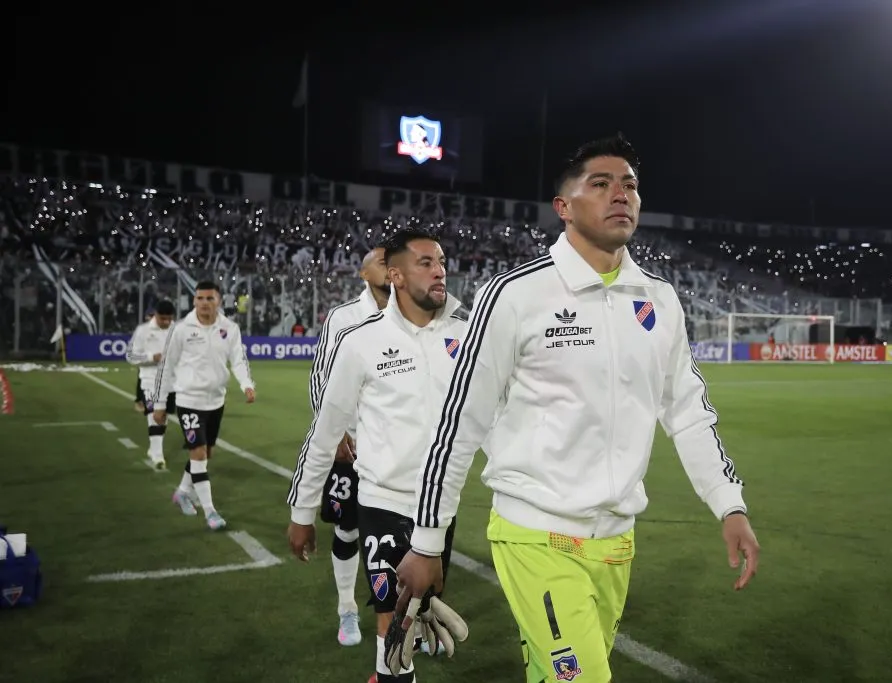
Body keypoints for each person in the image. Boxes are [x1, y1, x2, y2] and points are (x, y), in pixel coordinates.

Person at [392, 134, 761, 682]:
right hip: (534, 535)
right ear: (563, 208)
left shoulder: (659, 300)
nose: (621, 194)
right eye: (602, 183)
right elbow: (460, 422)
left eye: (630, 185)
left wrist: (729, 504)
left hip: (616, 543)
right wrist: (426, 541)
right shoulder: (516, 296)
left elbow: (688, 411)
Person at [287, 229, 468, 683]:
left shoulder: (466, 336)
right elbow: (325, 431)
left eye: (441, 260)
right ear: (397, 275)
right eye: (425, 262)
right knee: (393, 621)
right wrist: (303, 510)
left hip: (440, 508)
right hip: (383, 502)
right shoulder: (360, 341)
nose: (439, 268)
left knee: (418, 612)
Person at [308, 245, 391, 648]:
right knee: (347, 528)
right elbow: (320, 376)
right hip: (354, 446)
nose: (389, 266)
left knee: (399, 537)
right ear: (362, 273)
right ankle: (347, 609)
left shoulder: (411, 312)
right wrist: (335, 431)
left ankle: (408, 619)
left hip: (397, 449)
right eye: (380, 260)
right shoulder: (344, 317)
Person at [153, 281, 256, 531]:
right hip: (189, 400)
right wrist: (160, 403)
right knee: (198, 454)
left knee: (206, 454)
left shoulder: (229, 328)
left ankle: (182, 492)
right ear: (194, 301)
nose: (204, 303)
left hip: (216, 401)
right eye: (199, 298)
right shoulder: (181, 329)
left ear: (219, 300)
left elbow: (238, 360)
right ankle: (210, 512)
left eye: (209, 298)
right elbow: (166, 367)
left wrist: (246, 384)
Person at [126, 299, 177, 469]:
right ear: (155, 315)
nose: (166, 322)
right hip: (150, 381)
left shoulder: (176, 330)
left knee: (163, 417)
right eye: (163, 319)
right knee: (154, 415)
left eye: (169, 319)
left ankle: (153, 448)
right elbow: (130, 356)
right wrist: (151, 357)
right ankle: (157, 454)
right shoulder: (143, 331)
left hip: (171, 382)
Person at [134, 308, 156, 413]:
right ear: (146, 317)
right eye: (150, 316)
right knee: (142, 380)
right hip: (146, 360)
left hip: (158, 361)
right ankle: (140, 401)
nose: (152, 318)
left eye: (153, 315)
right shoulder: (142, 330)